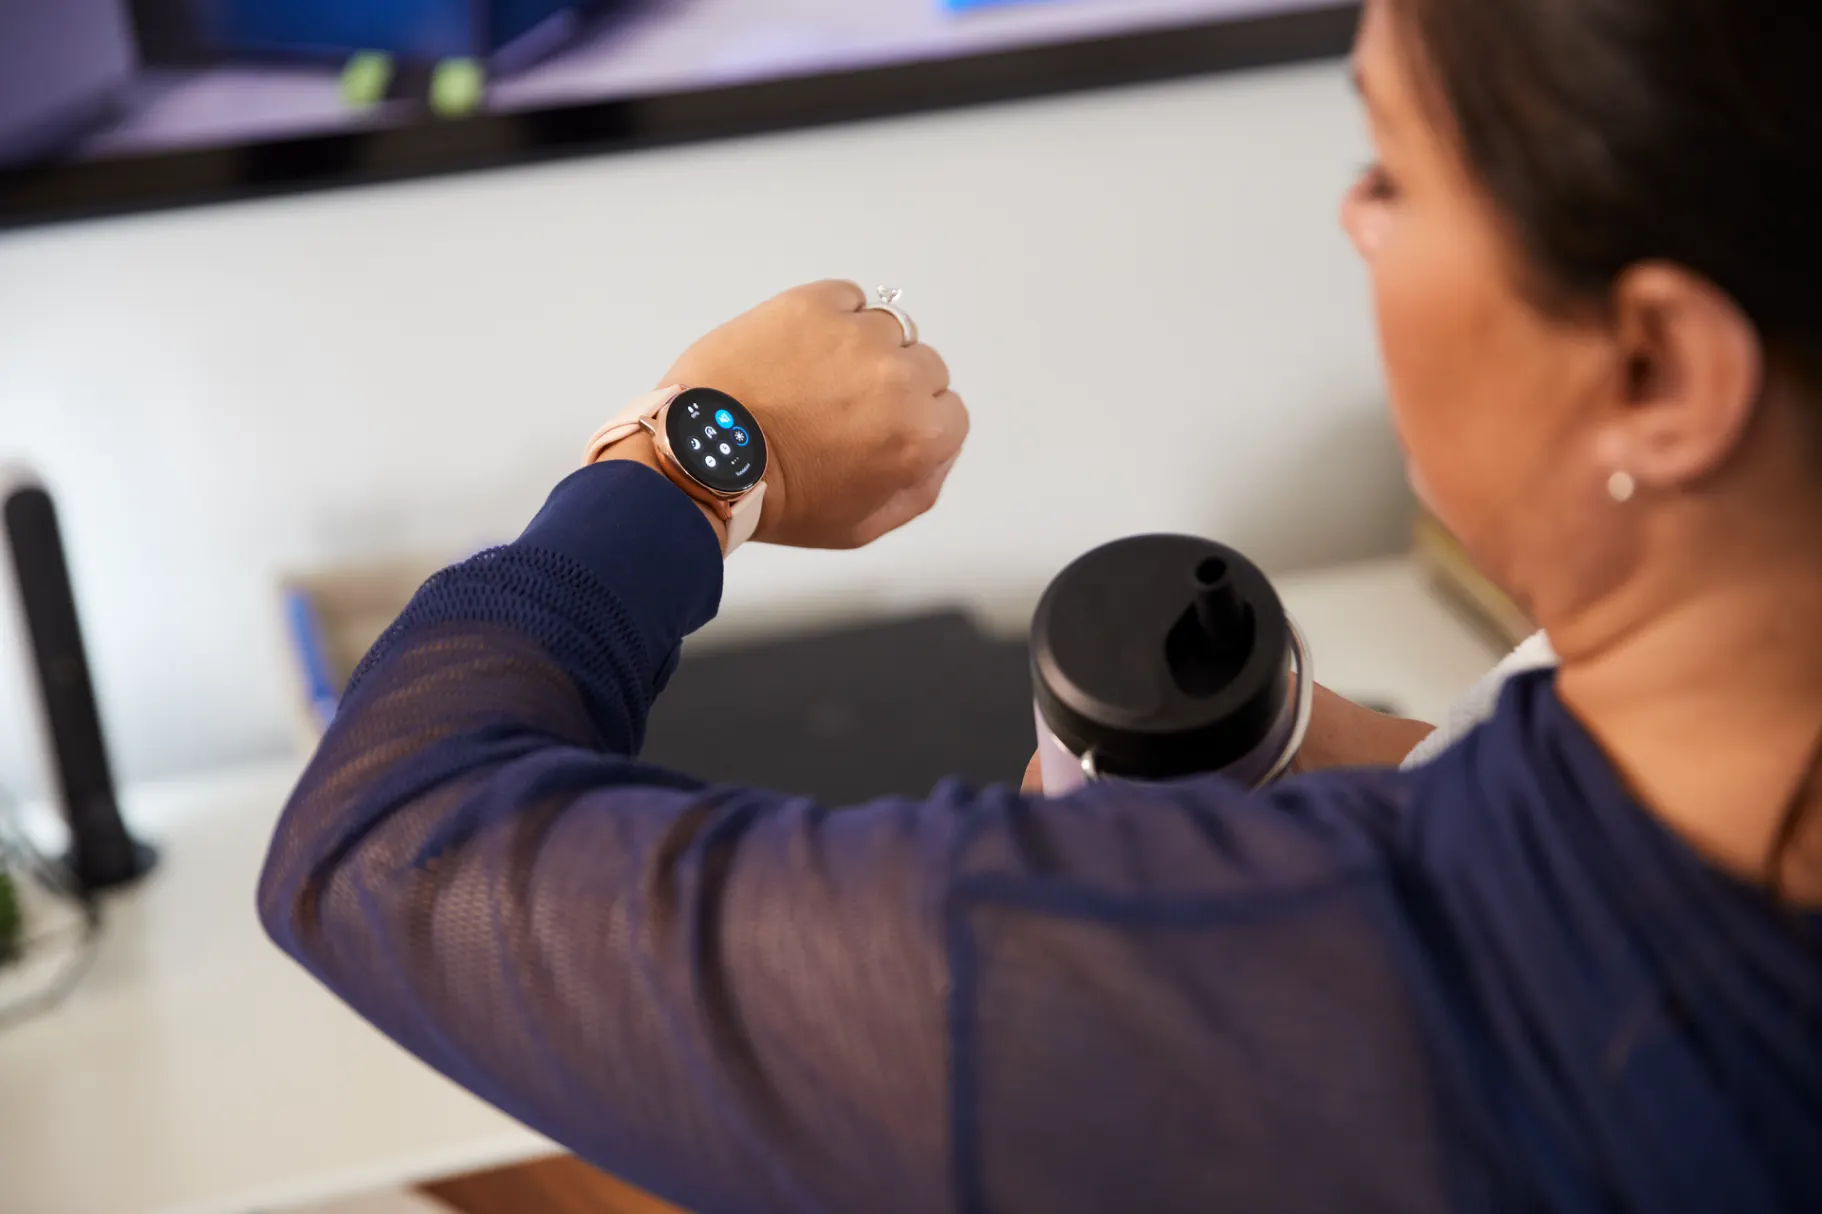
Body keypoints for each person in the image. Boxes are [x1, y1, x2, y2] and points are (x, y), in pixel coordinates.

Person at [259, 0, 1822, 1209]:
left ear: (1655, 371)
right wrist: (1358, 758)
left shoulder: (1187, 986)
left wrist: (691, 457)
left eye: (1392, 174)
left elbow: (381, 837)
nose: (1353, 222)